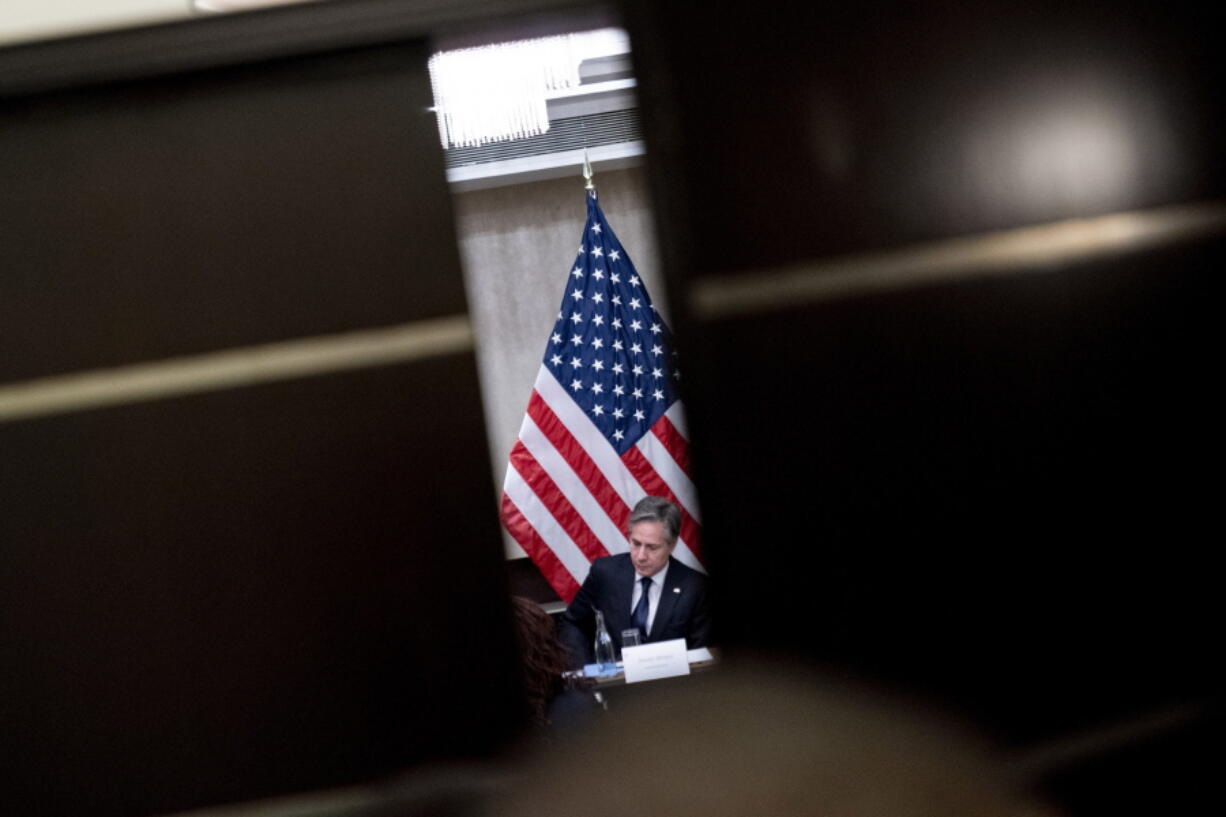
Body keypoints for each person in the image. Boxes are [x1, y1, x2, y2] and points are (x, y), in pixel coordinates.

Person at [557, 496, 711, 668]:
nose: (640, 556)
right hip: (614, 685)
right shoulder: (605, 573)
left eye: (652, 547)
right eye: (636, 543)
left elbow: (701, 653)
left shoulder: (695, 587)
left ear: (672, 545)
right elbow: (573, 623)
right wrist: (586, 670)